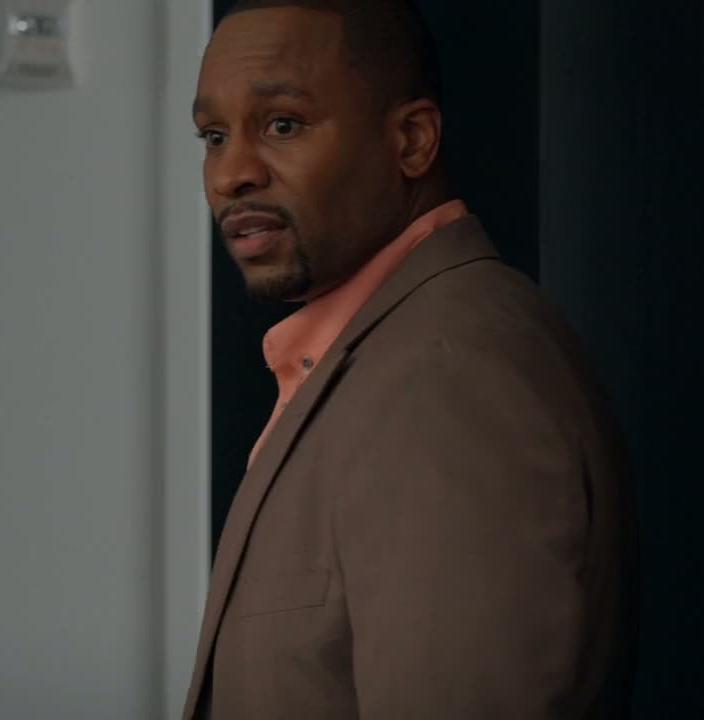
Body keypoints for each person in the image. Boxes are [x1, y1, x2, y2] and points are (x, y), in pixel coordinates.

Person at [183, 1, 636, 718]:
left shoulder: (449, 373)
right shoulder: (386, 353)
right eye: (213, 136)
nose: (230, 174)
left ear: (413, 141)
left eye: (283, 125)